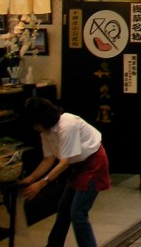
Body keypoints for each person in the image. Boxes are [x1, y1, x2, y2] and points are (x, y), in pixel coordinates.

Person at [20, 97, 111, 247]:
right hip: (77, 166)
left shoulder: (67, 125)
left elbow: (64, 163)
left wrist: (41, 184)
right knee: (63, 210)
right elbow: (47, 160)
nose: (34, 127)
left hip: (93, 163)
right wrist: (30, 178)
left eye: (34, 123)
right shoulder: (46, 132)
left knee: (78, 213)